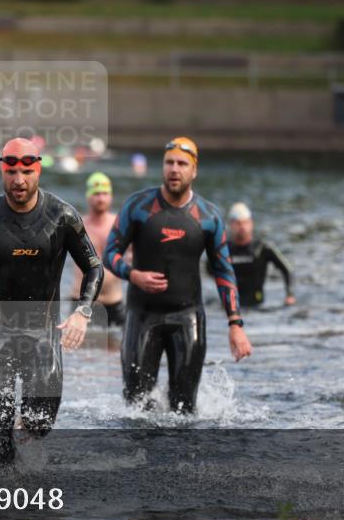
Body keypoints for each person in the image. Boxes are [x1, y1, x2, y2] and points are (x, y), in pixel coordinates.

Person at [0, 138, 103, 459]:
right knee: (1, 430)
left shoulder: (62, 217)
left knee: (39, 425)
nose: (19, 180)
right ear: (2, 171)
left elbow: (94, 267)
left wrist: (83, 312)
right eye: (11, 172)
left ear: (38, 170)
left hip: (43, 335)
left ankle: (24, 459)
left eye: (27, 172)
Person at [103, 137, 252, 414]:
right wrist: (133, 275)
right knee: (136, 409)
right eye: (169, 163)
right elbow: (109, 253)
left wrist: (235, 324)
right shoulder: (138, 206)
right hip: (142, 316)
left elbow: (224, 271)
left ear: (194, 171)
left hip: (188, 318)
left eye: (182, 164)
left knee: (185, 412)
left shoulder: (209, 217)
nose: (174, 169)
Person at [73, 172, 127, 326]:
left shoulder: (121, 225)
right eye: (96, 193)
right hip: (80, 302)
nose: (101, 198)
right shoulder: (77, 225)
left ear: (111, 196)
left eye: (105, 193)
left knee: (116, 342)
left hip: (113, 302)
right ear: (88, 196)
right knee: (75, 342)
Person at [219, 202, 295, 308]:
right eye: (238, 223)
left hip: (257, 305)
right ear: (231, 225)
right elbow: (210, 270)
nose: (242, 227)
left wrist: (290, 295)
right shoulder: (223, 250)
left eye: (245, 222)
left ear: (251, 223)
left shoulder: (262, 248)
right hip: (230, 306)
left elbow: (287, 270)